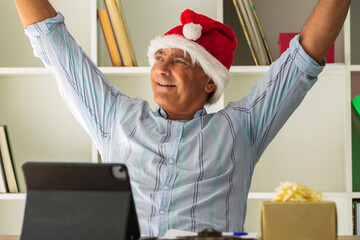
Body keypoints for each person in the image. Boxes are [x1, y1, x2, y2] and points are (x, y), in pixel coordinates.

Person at [14, 0, 350, 237]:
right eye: (159, 56)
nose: (161, 67)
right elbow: (53, 43)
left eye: (179, 60)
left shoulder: (241, 128)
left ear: (209, 82)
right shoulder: (116, 117)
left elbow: (304, 57)